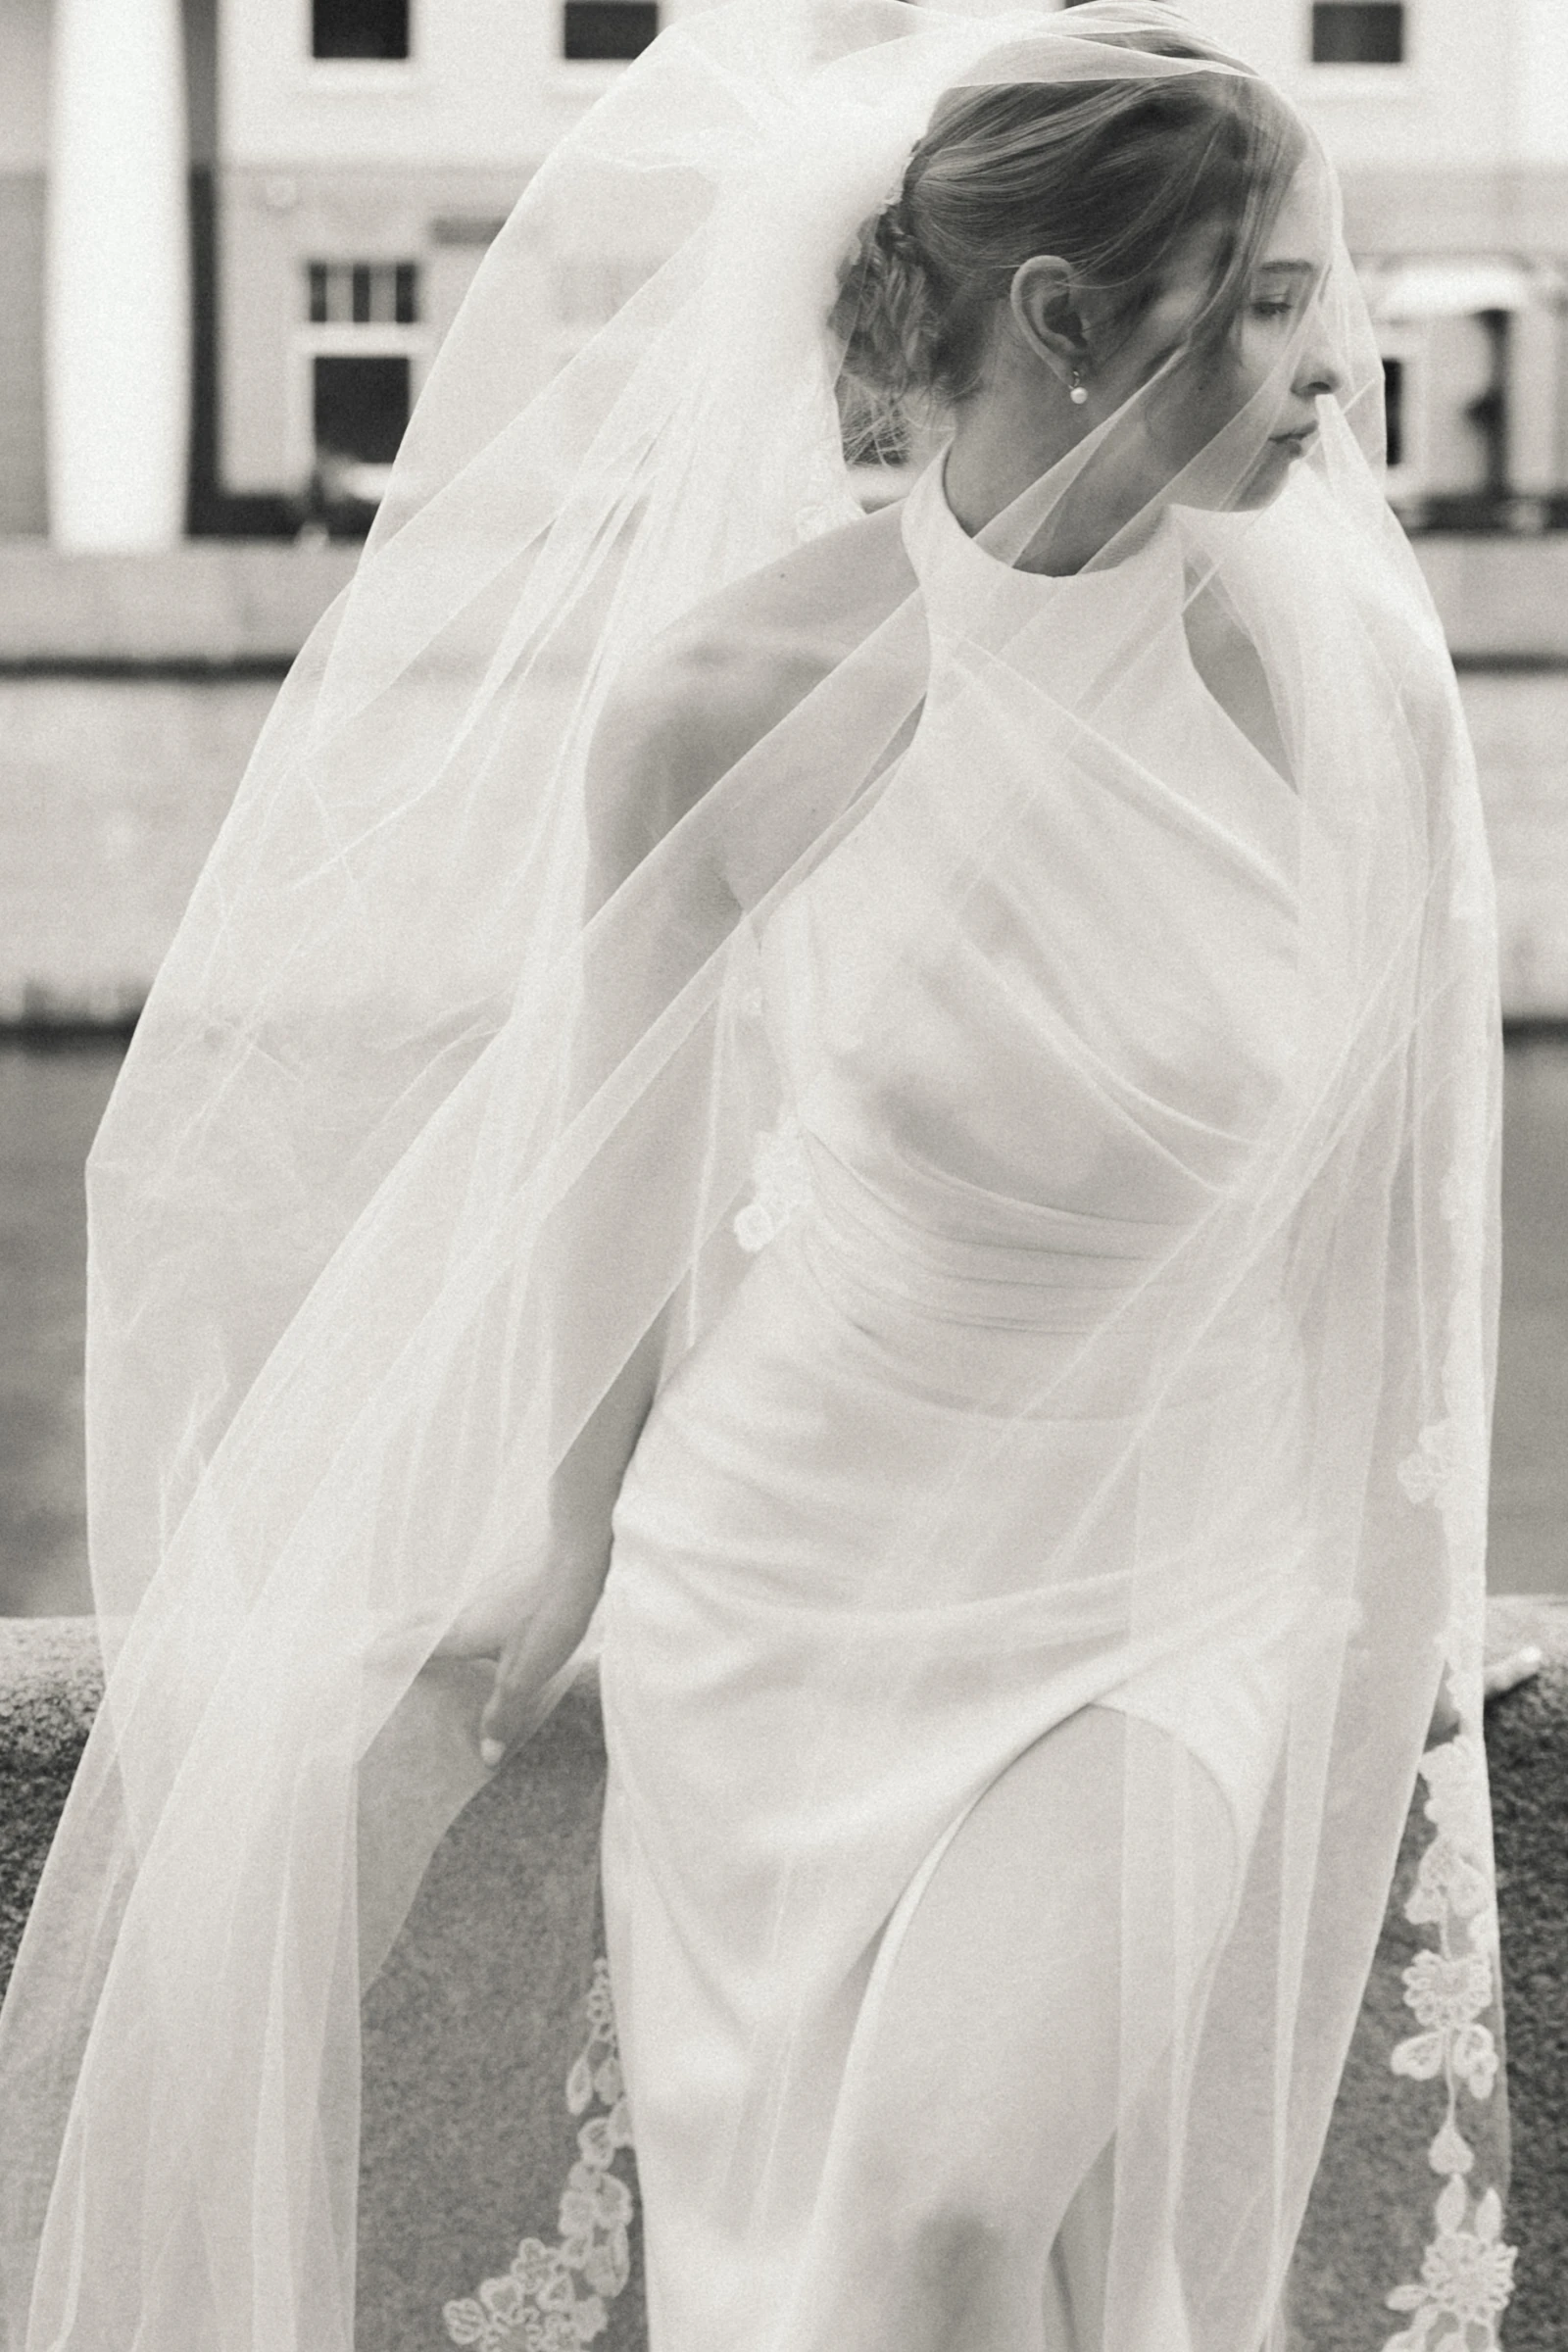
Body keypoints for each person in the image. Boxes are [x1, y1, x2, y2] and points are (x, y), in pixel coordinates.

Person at [0, 6, 1522, 2349]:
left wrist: (1392, 1601)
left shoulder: (1341, 685)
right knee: (866, 2280)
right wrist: (556, 1543)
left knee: (936, 2216)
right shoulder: (718, 699)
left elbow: (1391, 1213)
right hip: (780, 1596)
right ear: (1061, 314)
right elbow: (608, 1159)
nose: (1343, 371)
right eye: (1274, 299)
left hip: (1170, 1587)